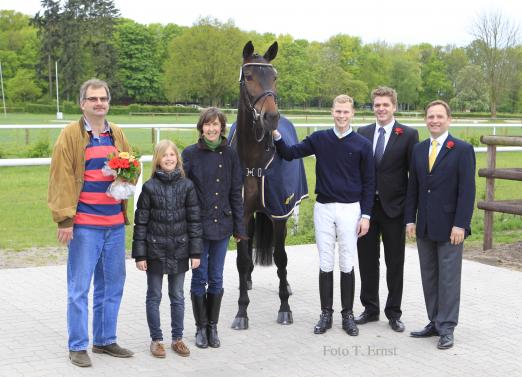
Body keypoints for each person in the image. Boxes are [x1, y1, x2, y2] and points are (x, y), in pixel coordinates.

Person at [48, 79, 134, 367]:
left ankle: (105, 339)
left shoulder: (117, 134)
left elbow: (131, 169)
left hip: (114, 224)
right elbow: (60, 178)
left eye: (103, 98)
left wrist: (126, 176)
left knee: (111, 286)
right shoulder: (71, 136)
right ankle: (77, 345)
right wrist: (64, 219)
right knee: (79, 288)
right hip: (84, 225)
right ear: (82, 103)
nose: (99, 103)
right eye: (93, 99)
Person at [272, 95, 374, 336]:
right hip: (325, 207)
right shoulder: (320, 139)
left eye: (346, 112)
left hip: (351, 208)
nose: (341, 116)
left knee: (347, 261)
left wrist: (366, 215)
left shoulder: (362, 144)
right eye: (338, 111)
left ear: (352, 114)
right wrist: (276, 134)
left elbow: (370, 182)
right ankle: (325, 313)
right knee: (326, 261)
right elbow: (289, 153)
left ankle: (347, 315)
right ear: (332, 112)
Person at [405, 100, 475, 350]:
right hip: (424, 225)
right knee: (429, 276)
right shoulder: (419, 149)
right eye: (430, 116)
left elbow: (467, 191)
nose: (434, 120)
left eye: (439, 116)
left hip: (450, 228)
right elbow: (413, 187)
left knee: (448, 279)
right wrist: (409, 219)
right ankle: (434, 321)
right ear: (426, 119)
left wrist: (460, 224)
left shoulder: (462, 149)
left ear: (449, 119)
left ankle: (447, 328)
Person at [182, 107, 246, 349]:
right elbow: (183, 191)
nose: (211, 128)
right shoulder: (189, 154)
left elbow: (235, 193)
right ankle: (200, 327)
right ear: (201, 127)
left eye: (215, 124)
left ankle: (212, 327)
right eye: (207, 124)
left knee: (216, 278)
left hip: (223, 225)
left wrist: (240, 228)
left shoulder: (230, 154)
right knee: (200, 276)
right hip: (198, 226)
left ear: (222, 127)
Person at [355, 87, 419, 332]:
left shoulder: (408, 135)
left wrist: (410, 214)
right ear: (373, 107)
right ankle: (370, 309)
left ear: (394, 106)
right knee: (367, 262)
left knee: (395, 264)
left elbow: (414, 178)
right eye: (377, 105)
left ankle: (393, 312)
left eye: (385, 105)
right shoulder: (363, 132)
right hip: (367, 211)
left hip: (395, 209)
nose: (381, 109)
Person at [132, 140, 202, 358]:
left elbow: (194, 221)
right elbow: (141, 222)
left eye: (173, 155)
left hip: (180, 250)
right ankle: (156, 340)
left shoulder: (187, 186)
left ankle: (177, 338)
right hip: (154, 252)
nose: (169, 158)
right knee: (154, 296)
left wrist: (195, 252)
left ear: (177, 159)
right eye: (165, 155)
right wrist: (140, 254)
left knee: (177, 295)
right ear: (158, 160)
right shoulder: (149, 187)